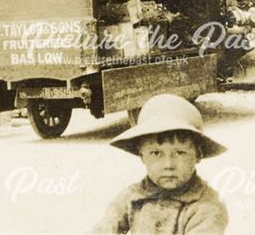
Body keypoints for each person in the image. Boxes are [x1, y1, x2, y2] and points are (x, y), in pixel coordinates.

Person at [95, 94, 229, 234]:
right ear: (142, 156)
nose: (168, 165)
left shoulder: (207, 206)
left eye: (180, 153)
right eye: (156, 153)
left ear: (198, 155)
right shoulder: (132, 196)